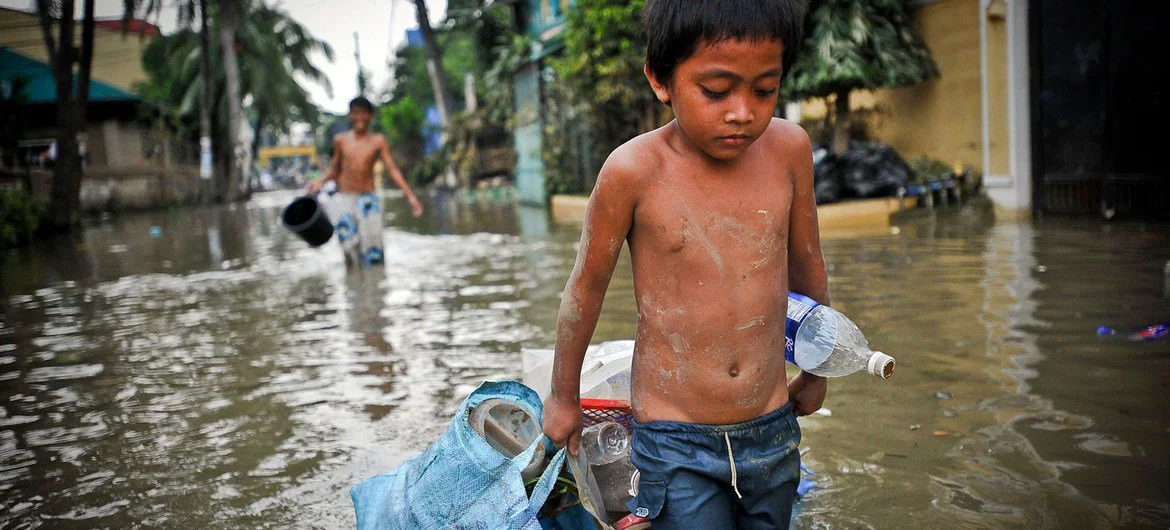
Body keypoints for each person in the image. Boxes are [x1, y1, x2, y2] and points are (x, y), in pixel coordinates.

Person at [540, 1, 825, 528]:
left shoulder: (789, 150)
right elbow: (585, 290)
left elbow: (808, 266)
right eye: (716, 92)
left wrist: (817, 365)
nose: (742, 111)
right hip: (675, 434)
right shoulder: (633, 171)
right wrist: (562, 397)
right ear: (660, 80)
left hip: (772, 422)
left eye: (765, 89)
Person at [306, 96, 424, 266]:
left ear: (370, 116)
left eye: (363, 113)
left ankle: (375, 287)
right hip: (346, 198)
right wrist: (319, 181)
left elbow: (392, 170)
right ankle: (354, 287)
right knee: (348, 245)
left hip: (368, 199)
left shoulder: (378, 141)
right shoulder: (340, 140)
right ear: (350, 116)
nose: (360, 117)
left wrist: (410, 197)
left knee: (373, 247)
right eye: (356, 113)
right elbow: (335, 169)